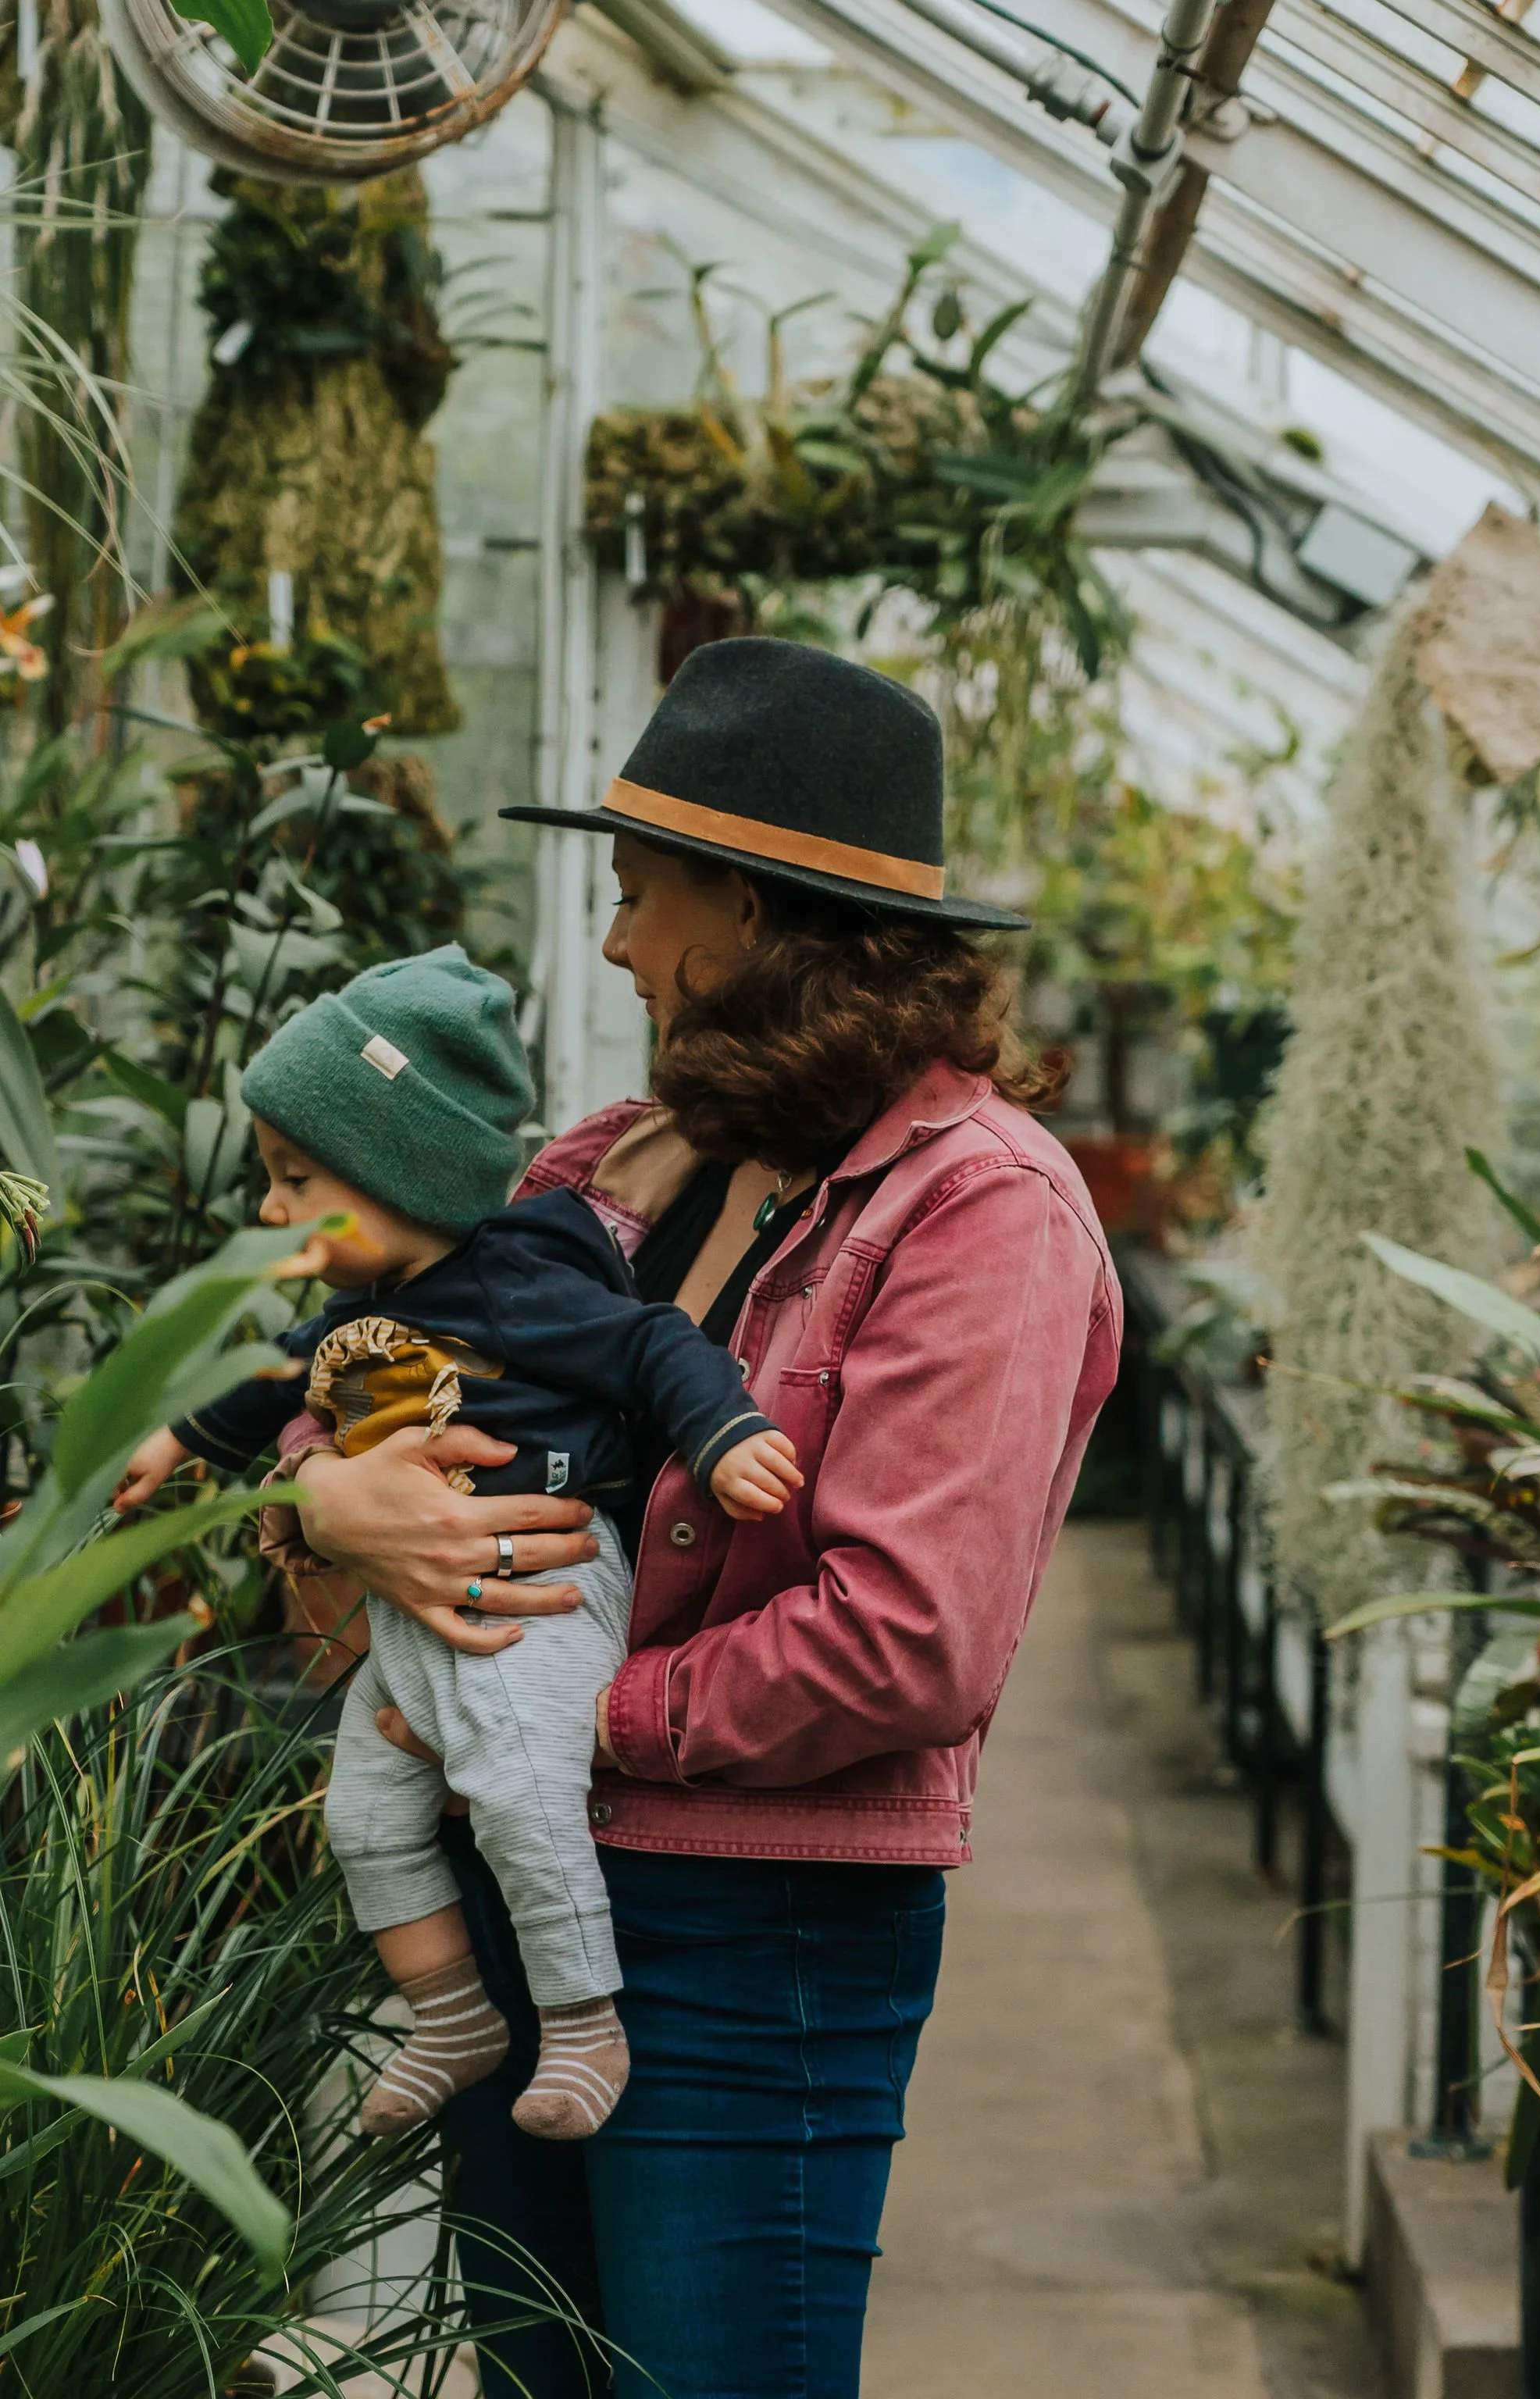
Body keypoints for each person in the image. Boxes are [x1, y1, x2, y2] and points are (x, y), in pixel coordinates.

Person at [262, 639, 1122, 2399]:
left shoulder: (979, 1217)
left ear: (749, 911)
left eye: (642, 897)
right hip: (530, 1895)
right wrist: (329, 1497)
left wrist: (577, 1714)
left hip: (758, 1940)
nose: (614, 946)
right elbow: (370, 1363)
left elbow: (911, 1636)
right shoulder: (611, 1168)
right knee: (537, 2374)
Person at [116, 944, 800, 2144]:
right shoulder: (356, 1317)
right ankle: (451, 2015)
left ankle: (586, 2022)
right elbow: (270, 1382)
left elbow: (652, 1349)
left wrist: (730, 1429)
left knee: (522, 1798)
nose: (270, 1209)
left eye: (294, 1178)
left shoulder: (519, 1281)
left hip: (544, 1590)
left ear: (402, 1174)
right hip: (422, 1623)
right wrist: (175, 1441)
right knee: (365, 1818)